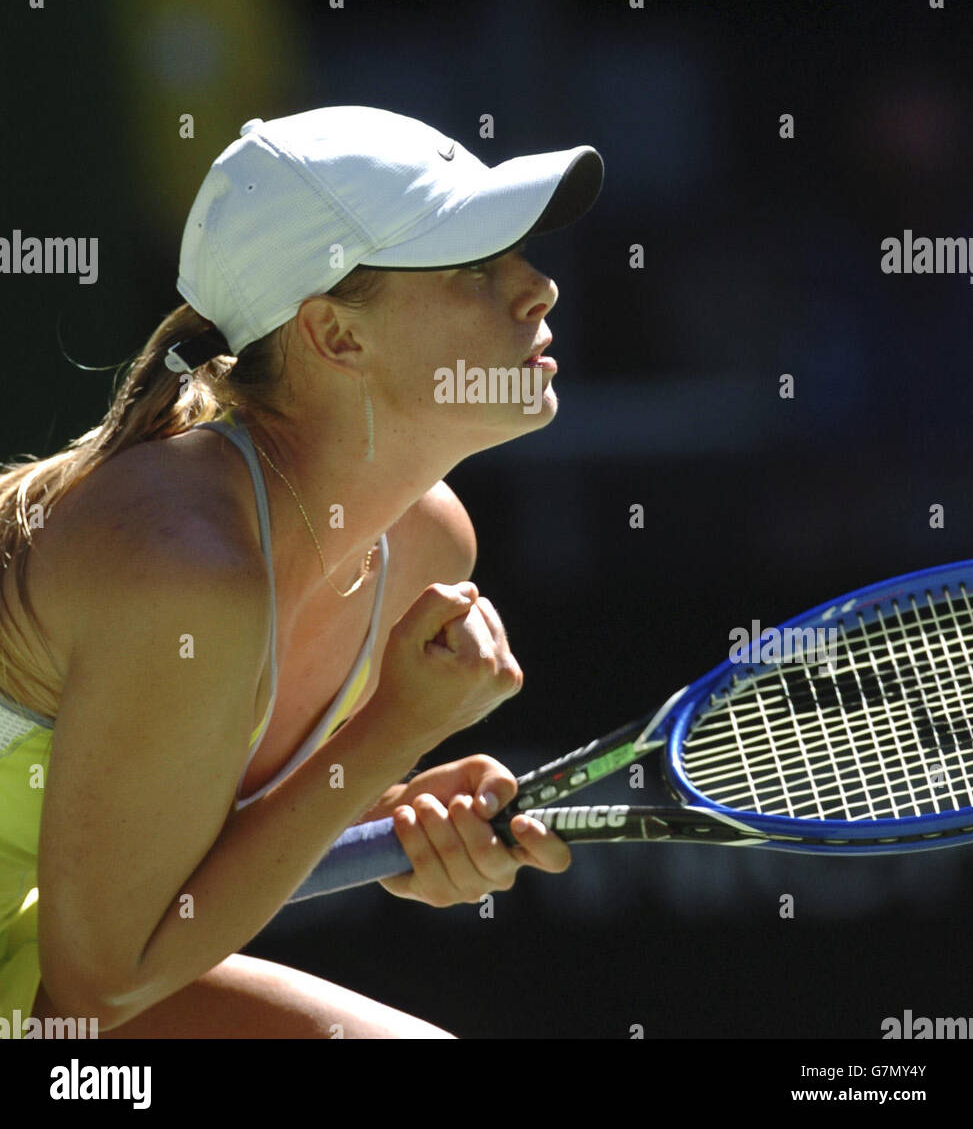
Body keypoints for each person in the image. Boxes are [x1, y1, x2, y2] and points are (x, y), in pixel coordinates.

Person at [0, 105, 604, 1039]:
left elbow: (166, 873)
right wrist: (391, 731)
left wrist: (396, 818)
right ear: (334, 335)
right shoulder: (182, 570)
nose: (539, 290)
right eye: (476, 269)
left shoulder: (428, 546)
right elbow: (98, 992)